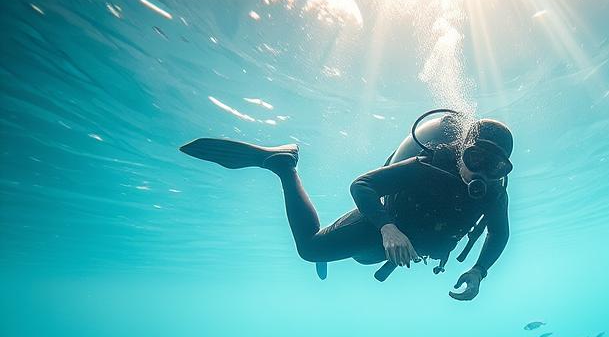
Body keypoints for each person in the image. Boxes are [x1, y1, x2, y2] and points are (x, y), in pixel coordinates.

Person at [179, 111, 513, 301]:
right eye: (475, 158)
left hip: (405, 245)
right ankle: (283, 164)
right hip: (382, 226)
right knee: (312, 249)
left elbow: (499, 233)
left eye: (494, 166)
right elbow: (362, 184)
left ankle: (339, 248)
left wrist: (479, 270)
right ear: (461, 150)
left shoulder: (494, 194)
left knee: (364, 260)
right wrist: (387, 228)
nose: (482, 171)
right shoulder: (428, 166)